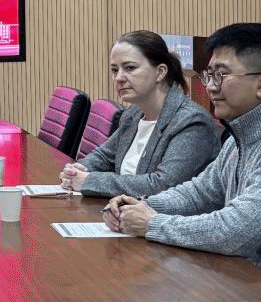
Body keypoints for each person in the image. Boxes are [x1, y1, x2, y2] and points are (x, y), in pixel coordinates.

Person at [103, 23, 261, 293]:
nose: (210, 87)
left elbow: (238, 232)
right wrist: (142, 205)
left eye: (220, 75)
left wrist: (152, 223)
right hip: (250, 280)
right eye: (209, 74)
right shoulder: (240, 136)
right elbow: (200, 193)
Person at [60, 30, 221, 198]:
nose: (119, 78)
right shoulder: (133, 113)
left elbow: (162, 185)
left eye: (130, 68)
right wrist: (76, 171)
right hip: (121, 209)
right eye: (115, 70)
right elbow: (105, 156)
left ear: (160, 72)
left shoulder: (192, 122)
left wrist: (89, 181)